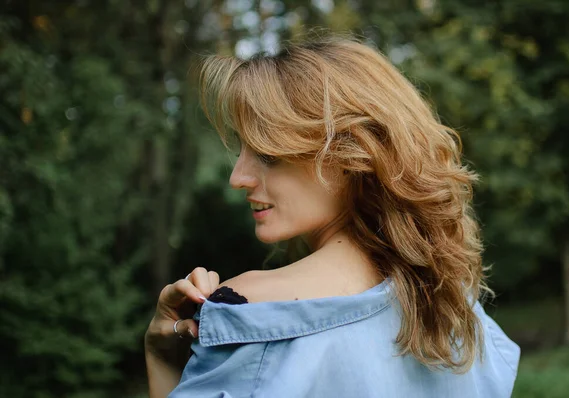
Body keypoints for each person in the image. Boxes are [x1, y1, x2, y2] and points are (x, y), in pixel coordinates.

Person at [144, 36, 520, 398]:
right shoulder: (456, 308)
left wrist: (161, 357)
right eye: (243, 150)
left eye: (268, 153)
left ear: (351, 157)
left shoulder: (251, 313)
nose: (237, 178)